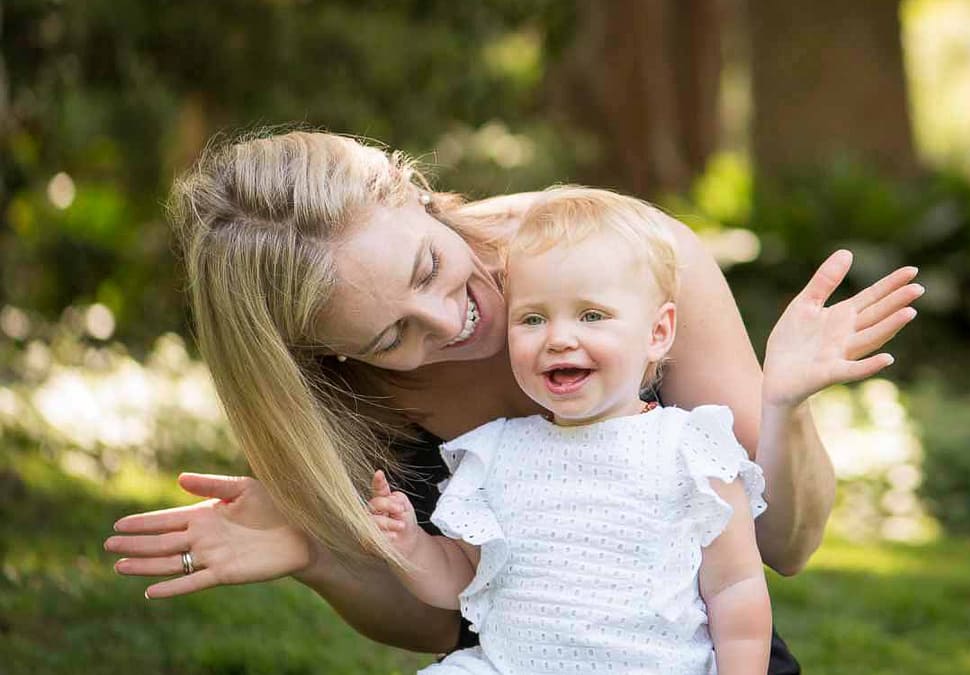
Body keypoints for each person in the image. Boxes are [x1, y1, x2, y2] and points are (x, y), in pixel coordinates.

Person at [103, 130, 922, 673]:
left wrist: (784, 405)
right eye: (391, 338)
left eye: (428, 266)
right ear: (328, 354)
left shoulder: (618, 257)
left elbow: (786, 544)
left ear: (413, 192)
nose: (451, 320)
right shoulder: (325, 392)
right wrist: (322, 555)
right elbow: (444, 618)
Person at [368, 187, 772, 674]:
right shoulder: (494, 453)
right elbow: (462, 581)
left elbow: (734, 587)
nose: (559, 339)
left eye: (592, 316)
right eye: (533, 318)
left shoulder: (689, 449)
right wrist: (412, 544)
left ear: (657, 333)